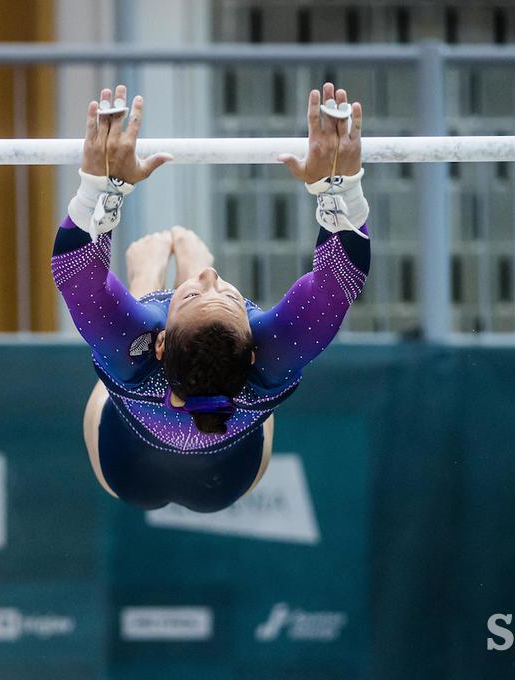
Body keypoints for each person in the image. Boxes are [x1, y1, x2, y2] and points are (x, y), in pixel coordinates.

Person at [52, 82, 371, 513]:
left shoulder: (139, 362)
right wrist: (338, 188)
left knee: (119, 343)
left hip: (122, 466)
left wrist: (101, 187)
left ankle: (147, 287)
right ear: (254, 351)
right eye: (226, 293)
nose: (211, 274)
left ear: (160, 345)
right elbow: (340, 279)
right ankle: (156, 295)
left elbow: (74, 272)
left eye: (198, 289)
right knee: (133, 335)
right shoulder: (273, 354)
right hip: (229, 479)